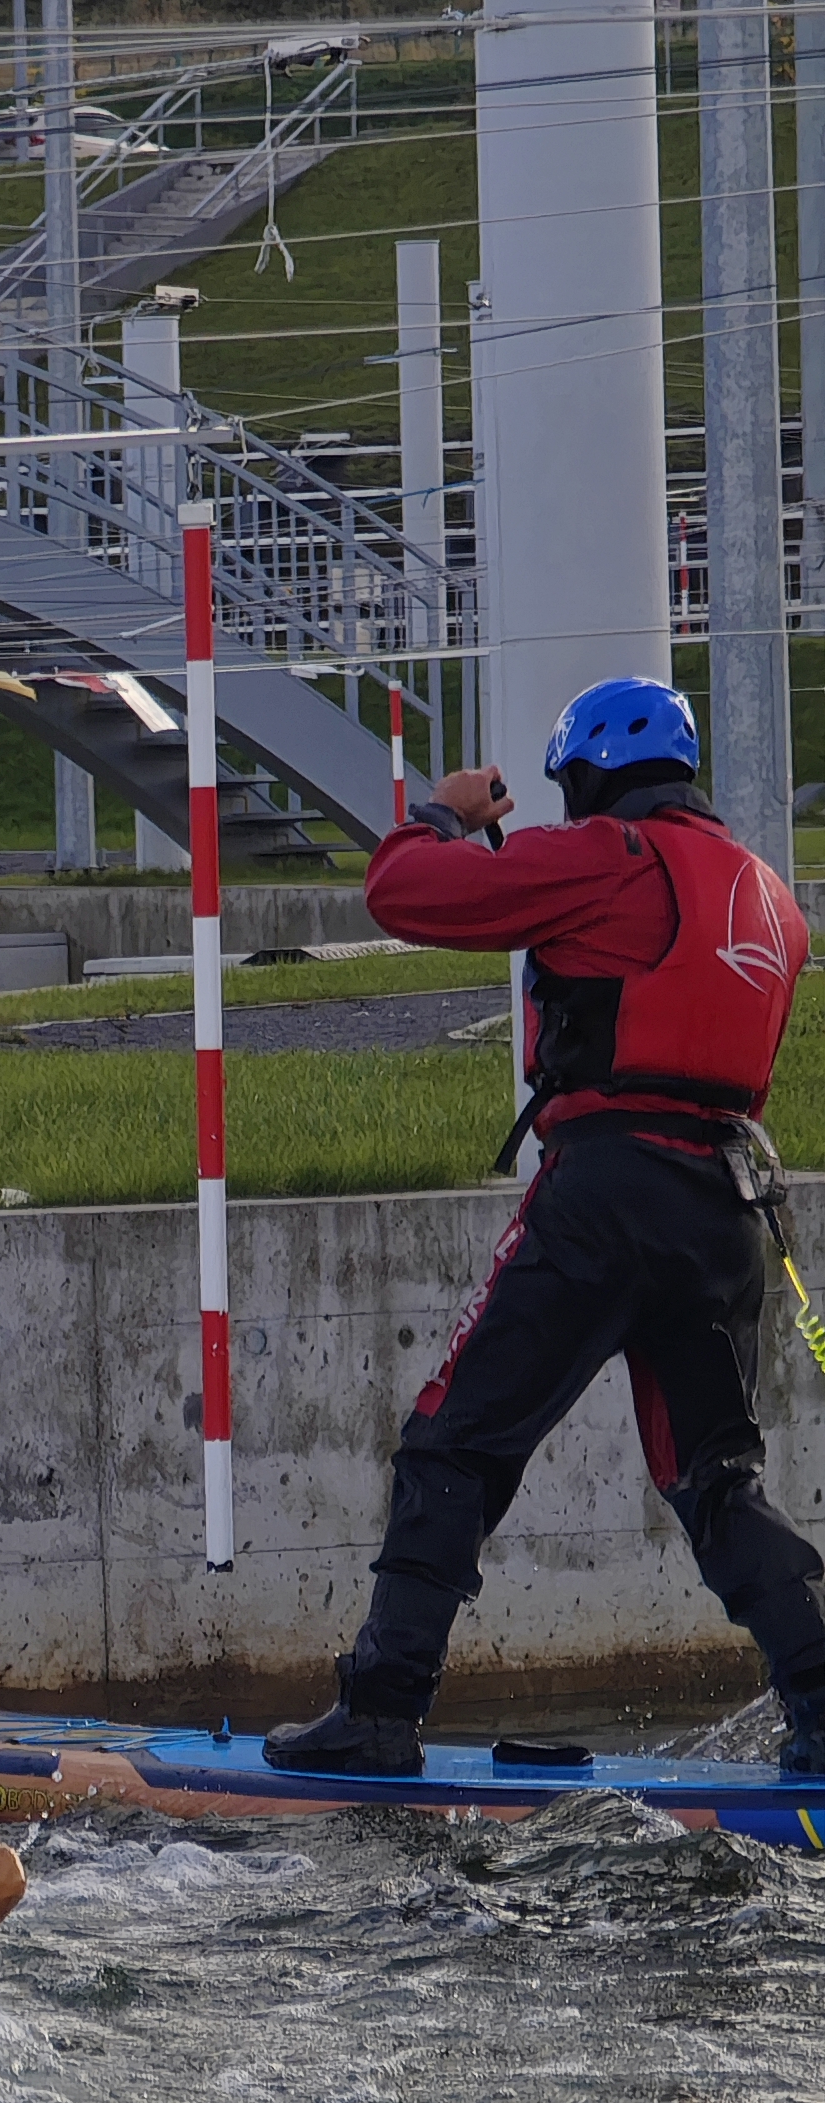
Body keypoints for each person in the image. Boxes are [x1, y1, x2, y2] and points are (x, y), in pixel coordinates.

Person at [265, 674, 825, 1777]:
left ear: (599, 772)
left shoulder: (612, 856)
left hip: (605, 1196)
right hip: (724, 1211)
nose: (569, 808)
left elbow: (405, 894)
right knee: (716, 1479)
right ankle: (821, 1699)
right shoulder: (769, 894)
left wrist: (447, 815)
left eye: (574, 787)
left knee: (453, 1438)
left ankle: (380, 1710)